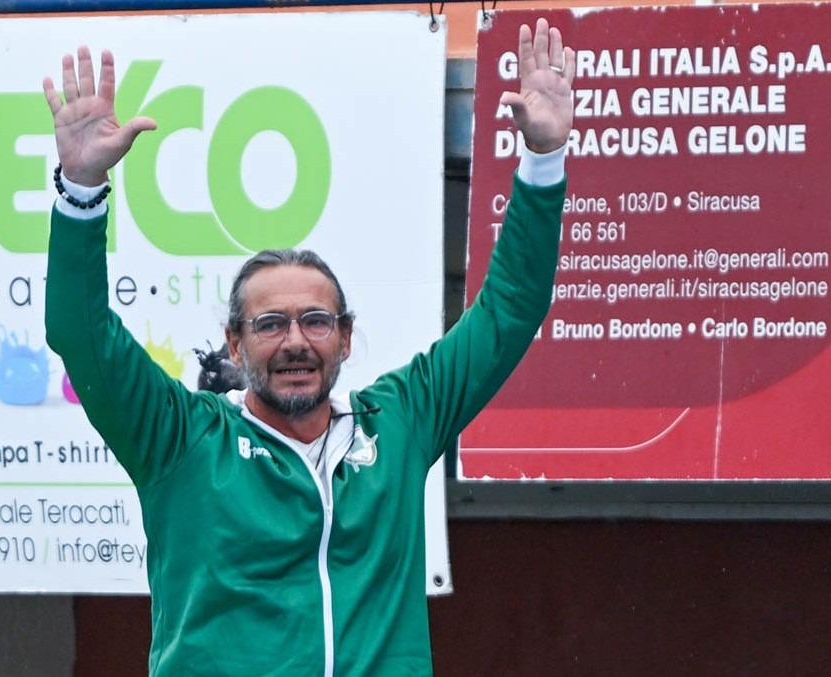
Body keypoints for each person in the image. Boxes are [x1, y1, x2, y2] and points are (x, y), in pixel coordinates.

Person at [43, 16, 575, 676]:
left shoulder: (398, 422)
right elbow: (81, 334)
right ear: (233, 344)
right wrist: (81, 192)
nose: (295, 341)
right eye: (270, 324)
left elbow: (509, 312)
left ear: (345, 338)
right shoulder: (181, 439)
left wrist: (543, 159)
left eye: (316, 321)